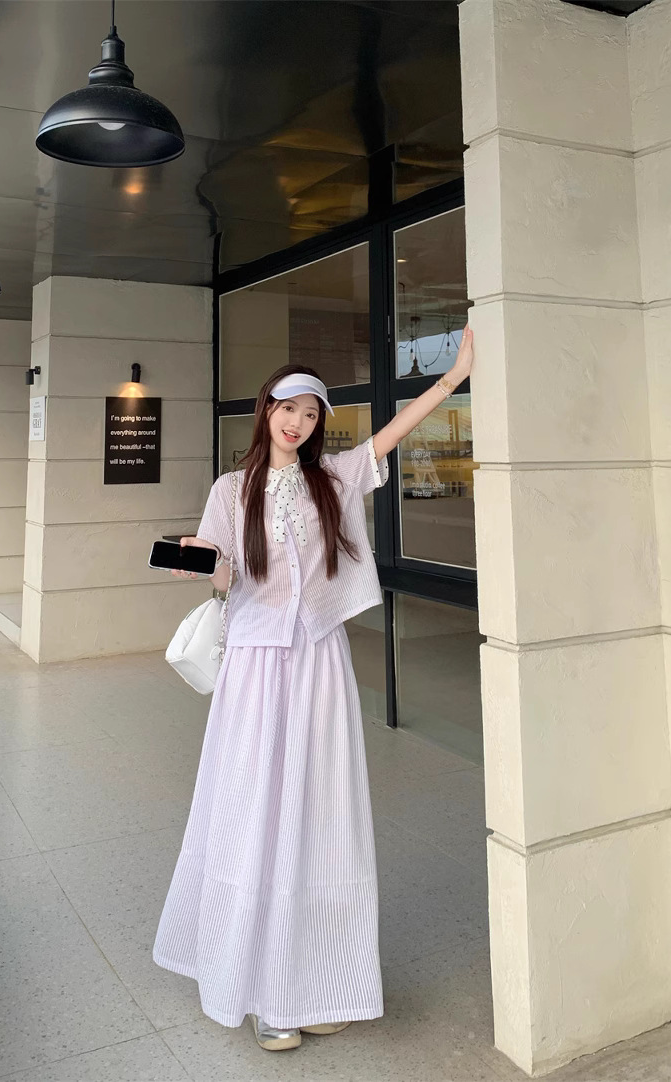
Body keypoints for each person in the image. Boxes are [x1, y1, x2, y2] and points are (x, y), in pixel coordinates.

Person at [152, 328, 475, 1051]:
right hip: (255, 667)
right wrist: (199, 560)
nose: (296, 422)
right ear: (265, 410)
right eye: (286, 408)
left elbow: (390, 435)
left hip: (320, 662)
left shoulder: (332, 479)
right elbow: (225, 575)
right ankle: (265, 993)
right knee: (257, 817)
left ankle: (318, 984)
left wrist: (452, 379)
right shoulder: (231, 490)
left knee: (324, 819)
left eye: (309, 413)